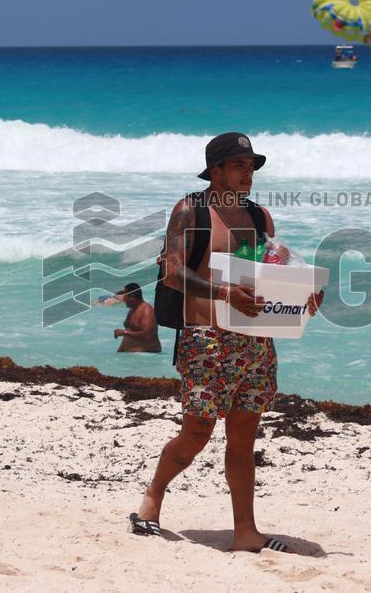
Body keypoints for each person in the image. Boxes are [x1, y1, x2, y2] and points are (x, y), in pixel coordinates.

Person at [130, 132, 323, 552]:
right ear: (215, 171)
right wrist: (224, 293)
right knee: (197, 432)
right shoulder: (191, 211)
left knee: (243, 435)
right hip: (205, 340)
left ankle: (245, 532)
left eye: (251, 166)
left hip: (255, 341)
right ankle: (153, 496)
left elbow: (273, 273)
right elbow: (173, 274)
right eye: (238, 165)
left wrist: (303, 294)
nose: (247, 173)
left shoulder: (259, 217)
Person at [113, 283, 162, 353]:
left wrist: (124, 332)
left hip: (147, 355)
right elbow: (130, 331)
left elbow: (147, 335)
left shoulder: (146, 310)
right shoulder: (132, 309)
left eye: (125, 296)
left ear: (132, 296)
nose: (123, 299)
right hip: (133, 356)